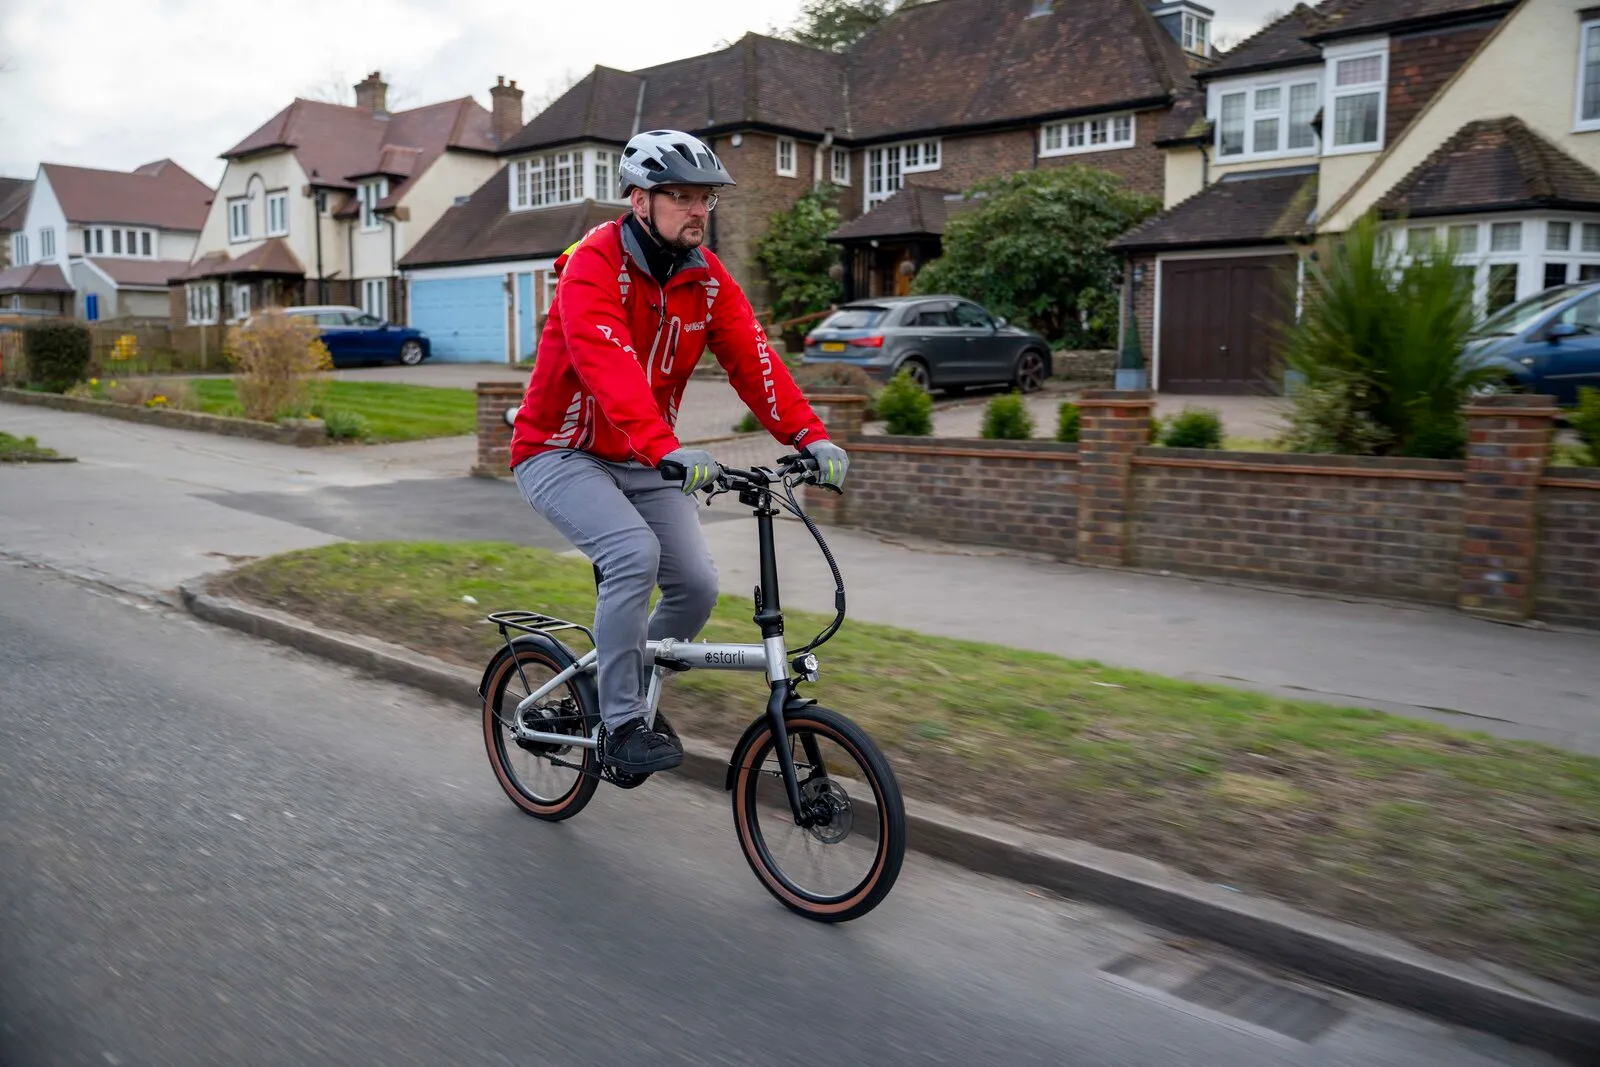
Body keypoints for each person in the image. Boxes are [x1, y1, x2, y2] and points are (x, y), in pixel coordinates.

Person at [508, 129, 850, 776]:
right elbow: (608, 365)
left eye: (706, 198)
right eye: (682, 196)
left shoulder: (707, 279)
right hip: (559, 451)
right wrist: (666, 446)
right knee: (632, 553)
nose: (698, 210)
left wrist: (809, 433)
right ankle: (621, 722)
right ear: (640, 201)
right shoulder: (593, 264)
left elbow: (753, 357)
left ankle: (620, 686)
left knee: (694, 586)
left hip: (644, 457)